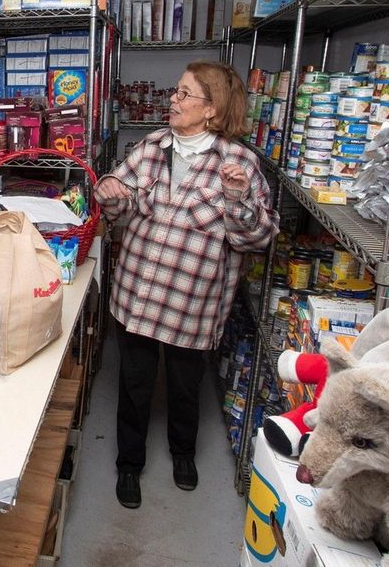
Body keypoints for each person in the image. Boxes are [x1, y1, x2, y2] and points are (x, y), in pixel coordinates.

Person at [95, 60, 278, 509]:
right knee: (135, 384)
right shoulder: (151, 146)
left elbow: (256, 238)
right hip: (137, 291)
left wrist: (236, 200)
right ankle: (129, 464)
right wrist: (109, 194)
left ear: (211, 109)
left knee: (184, 385)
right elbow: (118, 210)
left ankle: (183, 454)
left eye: (183, 94)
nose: (172, 101)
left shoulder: (240, 164)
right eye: (175, 93)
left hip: (192, 302)